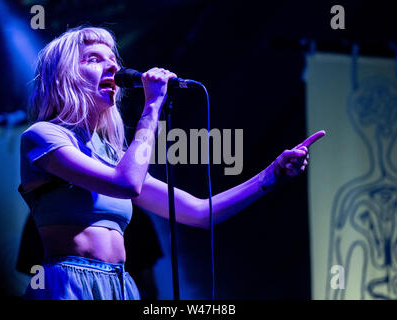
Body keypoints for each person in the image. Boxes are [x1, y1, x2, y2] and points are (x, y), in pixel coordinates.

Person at [18, 26, 325, 300]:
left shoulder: (111, 155)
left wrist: (271, 175)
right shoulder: (42, 136)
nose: (112, 65)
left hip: (120, 286)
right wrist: (151, 108)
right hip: (69, 283)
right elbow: (125, 184)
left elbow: (200, 213)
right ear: (64, 74)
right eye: (94, 59)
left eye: (112, 59)